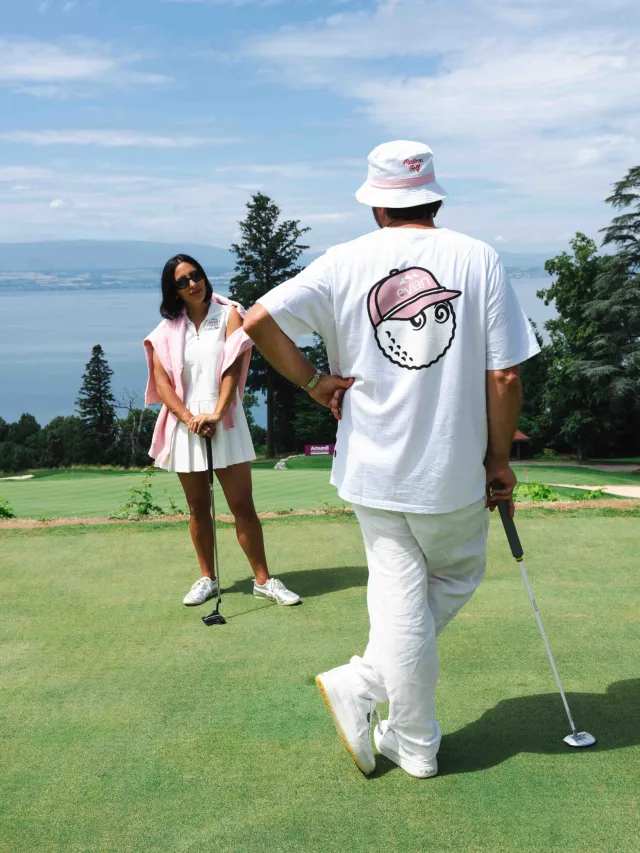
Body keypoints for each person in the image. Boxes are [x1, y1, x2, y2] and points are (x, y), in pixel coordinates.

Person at [243, 141, 540, 777]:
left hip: (370, 471)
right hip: (450, 471)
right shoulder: (477, 257)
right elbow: (506, 378)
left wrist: (315, 383)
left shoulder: (344, 261)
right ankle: (390, 716)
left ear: (378, 205)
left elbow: (258, 319)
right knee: (452, 578)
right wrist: (499, 460)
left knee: (399, 599)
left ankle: (409, 734)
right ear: (433, 196)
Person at [143, 254, 300, 607]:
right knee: (198, 507)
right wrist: (188, 418)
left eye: (195, 275)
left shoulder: (228, 313)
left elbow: (231, 367)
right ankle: (207, 578)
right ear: (174, 291)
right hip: (186, 425)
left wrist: (215, 413)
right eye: (182, 282)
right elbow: (163, 382)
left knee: (243, 505)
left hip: (224, 418)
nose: (192, 284)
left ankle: (263, 580)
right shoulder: (168, 329)